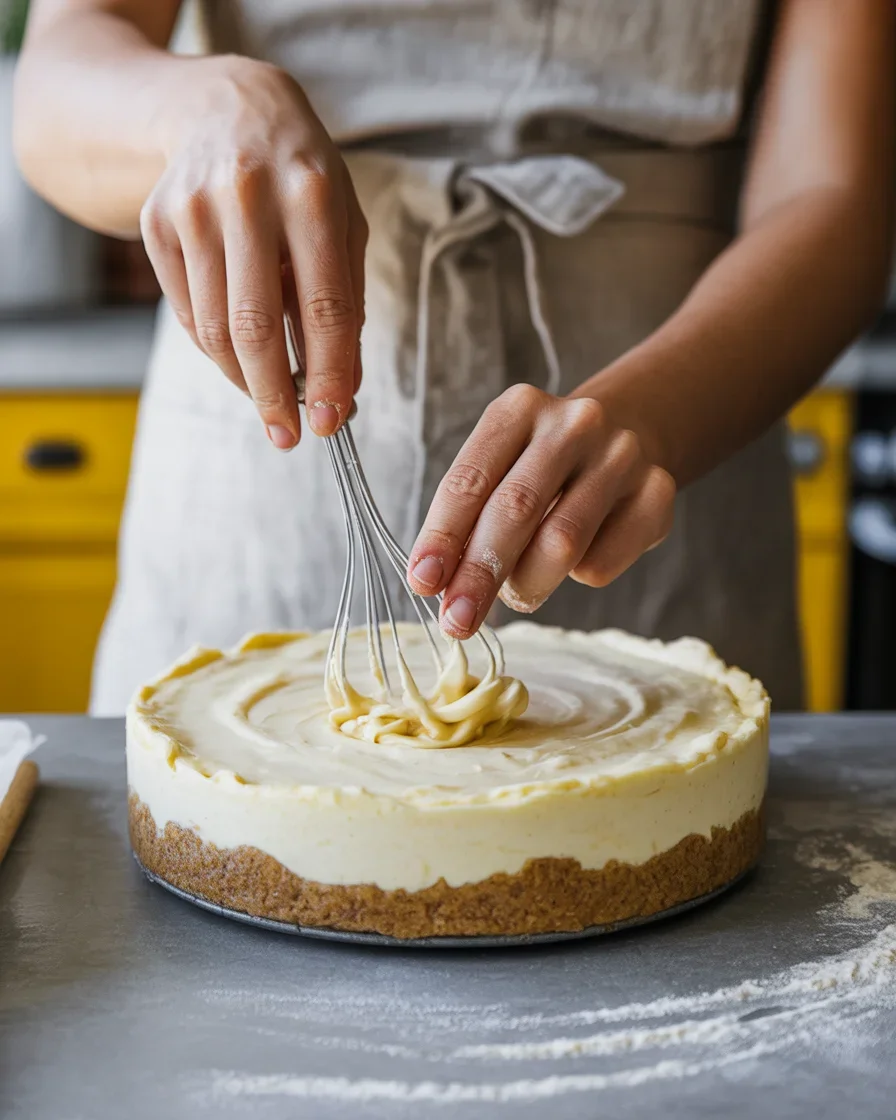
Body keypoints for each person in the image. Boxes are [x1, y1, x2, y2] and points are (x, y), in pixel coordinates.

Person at [14, 0, 894, 714]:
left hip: (683, 436)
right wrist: (199, 110)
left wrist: (655, 415)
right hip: (259, 508)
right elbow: (58, 84)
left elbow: (834, 194)